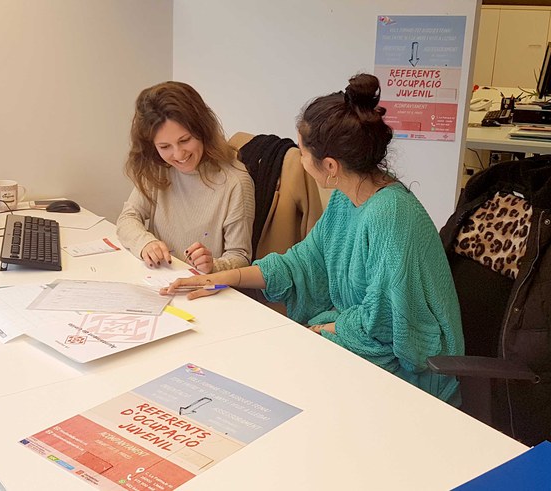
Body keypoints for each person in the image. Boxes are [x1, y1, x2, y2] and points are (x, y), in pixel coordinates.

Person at [163, 74, 465, 403]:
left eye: (303, 152)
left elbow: (387, 323)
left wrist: (321, 330)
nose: (300, 159)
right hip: (361, 338)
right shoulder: (348, 196)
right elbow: (303, 263)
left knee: (268, 379)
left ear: (330, 165)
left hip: (407, 371)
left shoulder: (389, 215)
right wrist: (226, 277)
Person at [116, 81, 255, 273]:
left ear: (202, 130)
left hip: (204, 285)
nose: (179, 154)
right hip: (159, 277)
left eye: (185, 140)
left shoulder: (235, 182)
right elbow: (128, 217)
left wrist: (214, 265)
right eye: (165, 146)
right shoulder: (158, 166)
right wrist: (145, 243)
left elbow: (240, 257)